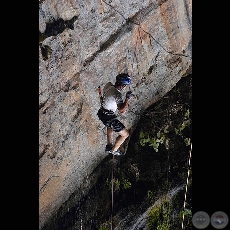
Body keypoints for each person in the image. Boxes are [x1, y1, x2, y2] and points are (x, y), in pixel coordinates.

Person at [97, 73, 133, 155]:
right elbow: (121, 110)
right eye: (125, 85)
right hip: (109, 118)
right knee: (125, 135)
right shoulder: (117, 94)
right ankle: (114, 150)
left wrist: (99, 94)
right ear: (122, 86)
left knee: (110, 126)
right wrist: (127, 98)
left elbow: (103, 99)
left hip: (102, 113)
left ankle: (109, 145)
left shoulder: (108, 85)